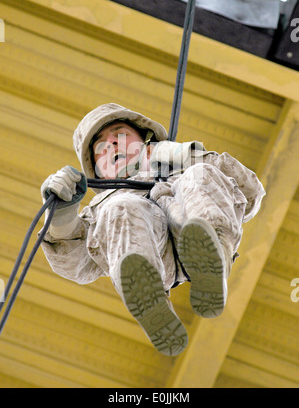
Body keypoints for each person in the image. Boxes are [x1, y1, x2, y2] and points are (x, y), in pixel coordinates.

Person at [40, 103, 265, 356]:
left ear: (147, 140)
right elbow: (76, 263)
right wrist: (62, 214)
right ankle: (149, 297)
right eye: (100, 148)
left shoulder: (184, 167)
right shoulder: (102, 207)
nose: (112, 145)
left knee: (199, 175)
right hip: (155, 253)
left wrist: (185, 155)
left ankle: (212, 256)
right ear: (98, 173)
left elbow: (249, 193)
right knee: (121, 206)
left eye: (120, 135)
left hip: (191, 222)